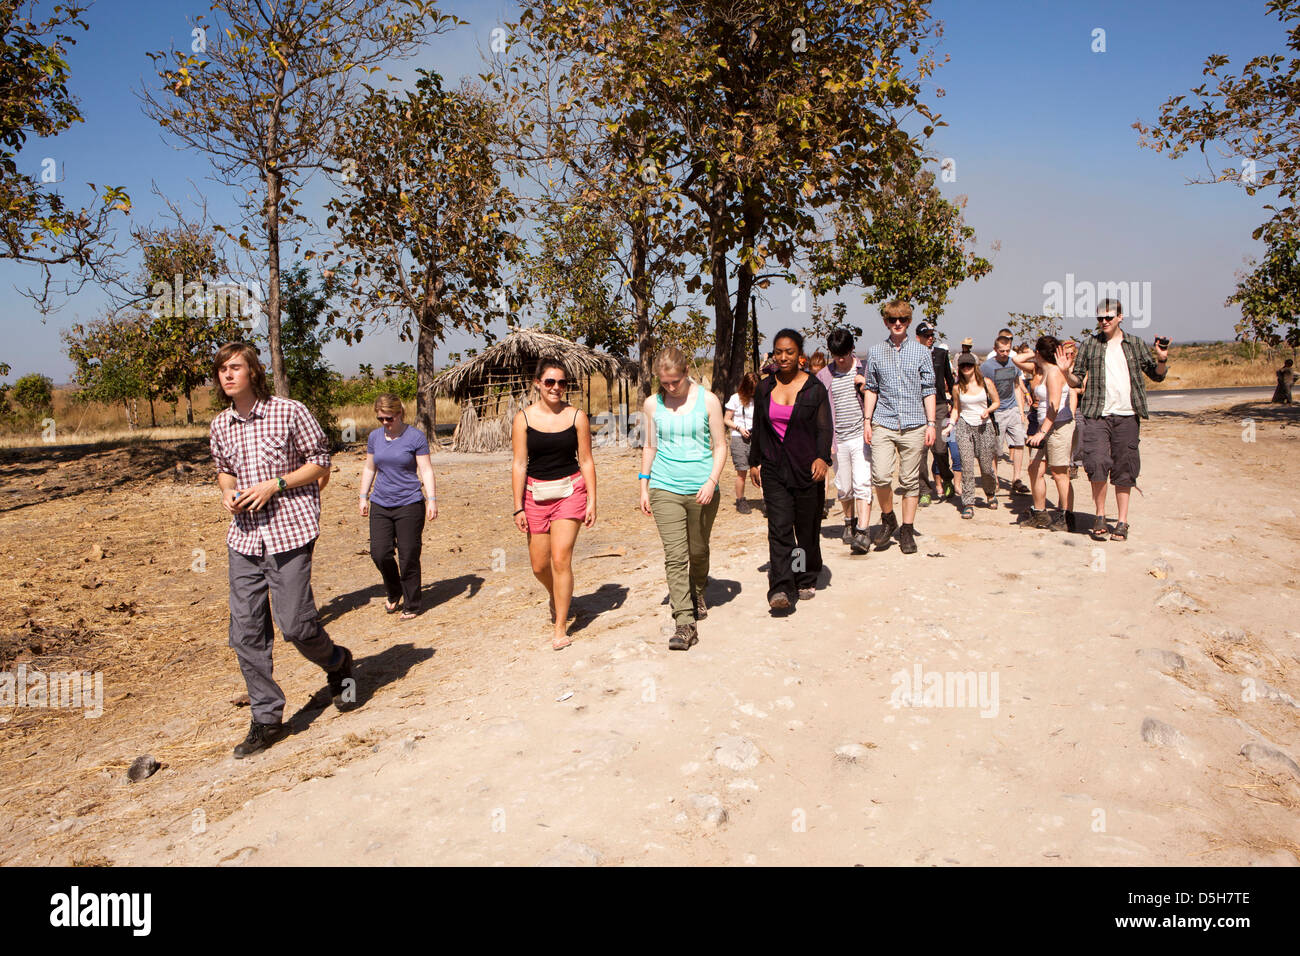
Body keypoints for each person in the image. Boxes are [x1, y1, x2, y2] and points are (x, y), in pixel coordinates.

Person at [208, 342, 355, 759]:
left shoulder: (289, 411)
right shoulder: (221, 425)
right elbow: (224, 471)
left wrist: (276, 484)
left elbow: (321, 463)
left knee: (294, 625)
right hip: (244, 538)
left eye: (235, 367)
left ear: (253, 371)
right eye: (222, 370)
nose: (228, 375)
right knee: (245, 632)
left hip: (290, 531)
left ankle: (337, 662)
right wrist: (229, 493)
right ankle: (267, 718)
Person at [639, 346, 728, 649]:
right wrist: (644, 485)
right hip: (665, 487)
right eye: (664, 383)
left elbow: (720, 446)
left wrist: (711, 480)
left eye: (674, 381)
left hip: (703, 489)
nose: (670, 388)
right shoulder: (652, 404)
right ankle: (684, 622)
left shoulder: (709, 400)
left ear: (686, 372)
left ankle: (698, 590)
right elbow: (650, 446)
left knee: (698, 550)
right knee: (675, 557)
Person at [1065, 299, 1169, 542]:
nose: (1104, 322)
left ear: (1120, 317)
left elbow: (1157, 375)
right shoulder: (1090, 345)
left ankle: (1122, 521)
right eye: (1100, 318)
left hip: (1127, 415)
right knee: (1097, 461)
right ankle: (1100, 515)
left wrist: (1162, 358)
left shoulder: (1134, 344)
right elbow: (1077, 381)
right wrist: (1064, 371)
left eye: (1109, 317)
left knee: (1125, 467)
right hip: (1097, 414)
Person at [511, 356, 597, 650]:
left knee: (561, 559)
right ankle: (556, 593)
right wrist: (517, 505)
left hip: (570, 492)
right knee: (539, 565)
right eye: (550, 381)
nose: (556, 387)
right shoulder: (522, 419)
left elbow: (585, 460)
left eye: (561, 382)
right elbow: (519, 464)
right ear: (537, 383)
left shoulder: (577, 417)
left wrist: (592, 500)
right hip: (535, 495)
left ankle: (560, 626)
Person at [750, 329, 833, 609]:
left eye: (789, 352)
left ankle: (805, 574)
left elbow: (824, 428)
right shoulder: (764, 388)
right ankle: (782, 587)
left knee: (806, 527)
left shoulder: (814, 388)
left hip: (807, 468)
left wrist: (822, 458)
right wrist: (754, 461)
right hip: (774, 467)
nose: (783, 357)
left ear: (800, 356)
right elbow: (759, 427)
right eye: (778, 351)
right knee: (780, 526)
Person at [863, 300, 936, 554]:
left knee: (909, 480)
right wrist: (867, 421)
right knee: (881, 476)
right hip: (883, 421)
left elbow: (929, 390)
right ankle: (887, 518)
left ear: (908, 322)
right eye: (893, 320)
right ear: (885, 322)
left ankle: (906, 529)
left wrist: (931, 423)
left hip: (915, 424)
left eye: (902, 320)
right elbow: (870, 388)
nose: (897, 324)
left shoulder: (922, 352)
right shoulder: (874, 351)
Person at [358, 394, 436, 621]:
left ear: (399, 413)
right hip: (381, 502)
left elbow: (426, 470)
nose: (385, 423)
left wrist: (432, 499)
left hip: (409, 503)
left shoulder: (415, 437)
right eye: (380, 419)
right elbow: (369, 468)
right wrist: (363, 496)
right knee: (379, 553)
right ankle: (394, 590)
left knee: (408, 554)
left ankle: (412, 603)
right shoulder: (374, 437)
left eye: (389, 418)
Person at [816, 328, 871, 554]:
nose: (840, 359)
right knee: (844, 486)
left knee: (862, 484)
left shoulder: (864, 369)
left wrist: (866, 385)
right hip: (838, 440)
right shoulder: (824, 376)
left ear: (852, 350)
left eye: (844, 353)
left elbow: (880, 396)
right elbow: (819, 410)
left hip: (861, 437)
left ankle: (863, 531)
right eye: (836, 354)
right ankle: (848, 522)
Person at [1012, 336, 1076, 530]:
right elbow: (1017, 360)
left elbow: (1054, 407)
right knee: (1034, 469)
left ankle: (1066, 516)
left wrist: (1042, 432)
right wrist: (1035, 352)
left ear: (1039, 353)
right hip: (1044, 426)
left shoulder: (1055, 372)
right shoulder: (1045, 370)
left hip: (1058, 427)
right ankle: (1040, 514)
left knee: (1059, 473)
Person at [951, 352, 1000, 518]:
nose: (966, 368)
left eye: (969, 365)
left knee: (986, 467)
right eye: (963, 365)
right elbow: (956, 409)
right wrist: (950, 425)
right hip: (964, 426)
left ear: (975, 367)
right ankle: (968, 502)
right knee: (967, 466)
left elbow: (996, 402)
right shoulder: (957, 387)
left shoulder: (986, 383)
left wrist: (988, 410)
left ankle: (990, 492)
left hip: (984, 427)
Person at [981, 336, 1031, 497]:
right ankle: (994, 478)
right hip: (997, 411)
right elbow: (982, 389)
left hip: (1013, 409)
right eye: (1001, 351)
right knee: (996, 448)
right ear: (995, 350)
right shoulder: (987, 367)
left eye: (1007, 350)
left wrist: (1021, 410)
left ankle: (1016, 478)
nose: (1004, 354)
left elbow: (1017, 385)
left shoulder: (1013, 363)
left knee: (1019, 443)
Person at [916, 321, 955, 505]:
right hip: (918, 407)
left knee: (940, 448)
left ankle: (947, 478)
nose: (930, 338)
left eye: (932, 335)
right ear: (918, 337)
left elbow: (950, 379)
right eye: (926, 335)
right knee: (921, 451)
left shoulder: (941, 354)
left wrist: (954, 403)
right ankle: (924, 489)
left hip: (940, 405)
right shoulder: (912, 355)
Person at [724, 372, 760, 513]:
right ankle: (740, 501)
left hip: (756, 437)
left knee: (761, 470)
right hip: (739, 438)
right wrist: (739, 428)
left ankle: (767, 501)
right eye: (750, 389)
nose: (752, 392)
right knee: (742, 472)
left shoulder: (759, 399)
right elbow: (726, 419)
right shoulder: (735, 398)